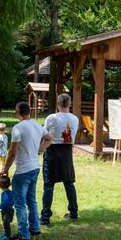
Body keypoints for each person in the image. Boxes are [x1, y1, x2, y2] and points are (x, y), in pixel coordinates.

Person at [1, 102, 53, 240]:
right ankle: (35, 229)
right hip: (35, 167)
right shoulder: (37, 125)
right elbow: (49, 138)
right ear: (28, 112)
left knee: (20, 203)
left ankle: (24, 235)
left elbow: (12, 152)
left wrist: (5, 169)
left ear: (18, 113)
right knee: (32, 200)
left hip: (23, 170)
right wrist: (39, 149)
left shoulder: (18, 128)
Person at [40, 93, 79, 227]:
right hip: (67, 153)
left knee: (49, 185)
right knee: (69, 183)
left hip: (53, 152)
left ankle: (45, 218)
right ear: (69, 104)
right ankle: (73, 212)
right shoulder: (75, 119)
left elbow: (45, 135)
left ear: (57, 103)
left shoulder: (52, 118)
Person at [0, 174, 14, 240]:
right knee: (7, 223)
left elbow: (5, 202)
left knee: (6, 223)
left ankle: (7, 236)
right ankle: (7, 234)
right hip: (11, 210)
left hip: (6, 211)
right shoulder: (11, 192)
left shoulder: (4, 194)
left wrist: (0, 206)